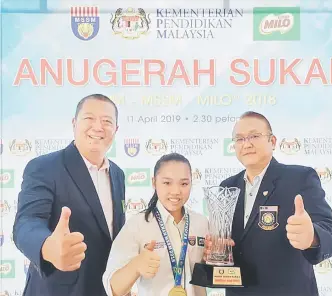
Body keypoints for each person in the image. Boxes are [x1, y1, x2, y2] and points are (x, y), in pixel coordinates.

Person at [204, 111, 332, 296]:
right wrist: (213, 253)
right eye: (239, 139)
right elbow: (224, 247)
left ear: (273, 141)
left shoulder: (299, 178)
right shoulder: (227, 187)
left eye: (254, 136)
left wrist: (312, 237)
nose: (246, 144)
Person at [13, 94, 126, 296]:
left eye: (107, 121)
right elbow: (27, 223)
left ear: (116, 130)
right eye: (89, 118)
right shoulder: (45, 166)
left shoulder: (118, 174)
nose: (98, 127)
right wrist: (48, 247)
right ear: (74, 123)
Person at [103, 153, 208, 296]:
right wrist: (136, 266)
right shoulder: (138, 225)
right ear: (154, 182)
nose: (176, 191)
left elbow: (209, 275)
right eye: (167, 183)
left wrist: (212, 260)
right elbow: (113, 288)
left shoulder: (202, 223)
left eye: (184, 183)